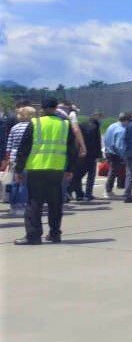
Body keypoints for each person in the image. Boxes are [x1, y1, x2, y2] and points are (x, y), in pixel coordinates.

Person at [14, 97, 78, 245]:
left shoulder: (35, 123)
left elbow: (24, 148)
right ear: (56, 108)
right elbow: (72, 149)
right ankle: (55, 234)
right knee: (55, 203)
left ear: (41, 109)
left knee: (34, 203)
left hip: (36, 169)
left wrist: (18, 169)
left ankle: (33, 236)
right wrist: (70, 169)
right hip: (56, 169)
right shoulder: (65, 125)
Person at [2, 105, 36, 214]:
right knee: (25, 183)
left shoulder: (15, 128)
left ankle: (13, 206)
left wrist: (7, 159)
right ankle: (23, 206)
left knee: (15, 183)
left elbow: (9, 145)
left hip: (13, 158)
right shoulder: (33, 127)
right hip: (28, 157)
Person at [71, 111, 103, 201]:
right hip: (91, 154)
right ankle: (88, 193)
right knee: (91, 175)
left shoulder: (82, 124)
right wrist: (99, 155)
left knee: (78, 174)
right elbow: (97, 141)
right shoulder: (95, 126)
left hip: (80, 152)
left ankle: (79, 193)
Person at [103, 113, 130, 196]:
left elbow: (105, 138)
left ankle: (110, 189)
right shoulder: (121, 130)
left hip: (108, 151)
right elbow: (119, 146)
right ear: (125, 121)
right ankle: (108, 190)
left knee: (112, 171)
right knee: (113, 172)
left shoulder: (112, 126)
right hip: (116, 154)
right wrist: (124, 156)